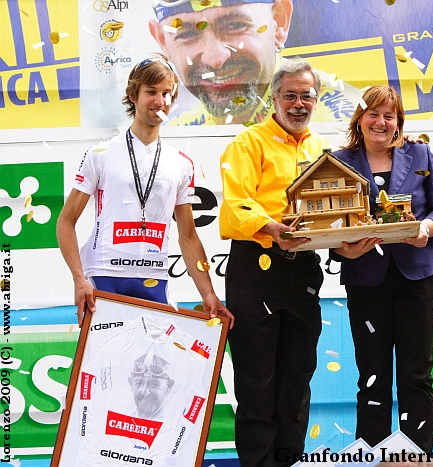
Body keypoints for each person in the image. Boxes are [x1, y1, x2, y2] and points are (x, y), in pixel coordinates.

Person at [56, 55, 232, 329]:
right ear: (133, 95)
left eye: (167, 94)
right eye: (151, 92)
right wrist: (79, 279)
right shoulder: (100, 154)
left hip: (154, 278)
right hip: (104, 275)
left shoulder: (181, 163)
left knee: (157, 357)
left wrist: (208, 294)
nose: (160, 101)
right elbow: (66, 221)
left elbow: (187, 236)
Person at [330, 86, 433, 454]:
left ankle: (417, 458)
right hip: (365, 279)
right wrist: (342, 248)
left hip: (418, 277)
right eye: (373, 114)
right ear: (360, 119)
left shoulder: (420, 153)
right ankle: (371, 457)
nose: (381, 122)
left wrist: (426, 228)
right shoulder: (339, 161)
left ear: (398, 122)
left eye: (389, 115)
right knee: (372, 377)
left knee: (416, 376)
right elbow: (329, 221)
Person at [219, 57, 328, 467]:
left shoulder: (320, 147)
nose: (299, 104)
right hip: (256, 268)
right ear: (274, 98)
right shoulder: (248, 143)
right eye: (290, 95)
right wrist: (272, 227)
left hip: (303, 269)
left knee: (298, 377)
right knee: (256, 380)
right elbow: (236, 205)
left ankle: (288, 460)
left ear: (316, 100)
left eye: (306, 96)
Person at [149, 0, 360, 126]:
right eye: (186, 35)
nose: (215, 59)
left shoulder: (342, 121)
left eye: (234, 25)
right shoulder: (175, 131)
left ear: (279, 22)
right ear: (163, 42)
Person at [129, 353, 175, 420]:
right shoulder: (120, 412)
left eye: (154, 385)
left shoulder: (175, 421)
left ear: (169, 387)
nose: (145, 393)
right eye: (139, 383)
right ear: (131, 384)